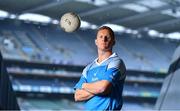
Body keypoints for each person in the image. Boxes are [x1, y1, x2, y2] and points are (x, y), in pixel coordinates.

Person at [74, 26, 126, 110]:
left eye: (107, 37)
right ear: (96, 41)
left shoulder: (116, 62)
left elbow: (103, 88)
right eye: (101, 37)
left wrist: (83, 85)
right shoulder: (88, 68)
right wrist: (98, 88)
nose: (104, 39)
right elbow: (77, 96)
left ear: (113, 42)